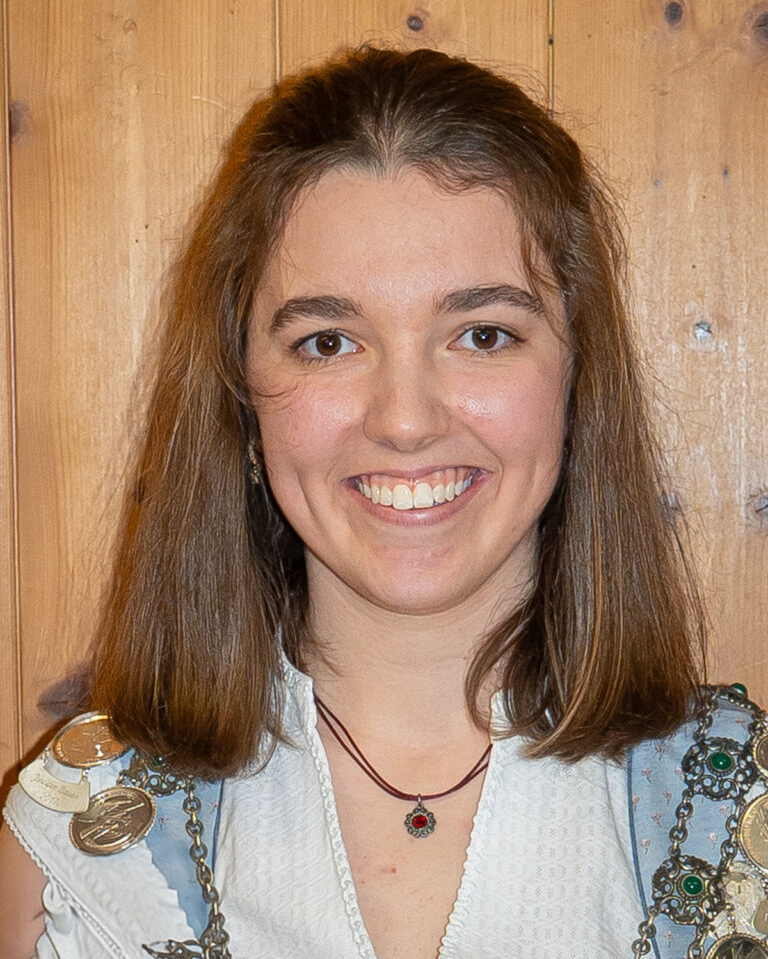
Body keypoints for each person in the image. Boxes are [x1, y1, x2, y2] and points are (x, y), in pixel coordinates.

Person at [1, 46, 767, 959]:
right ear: (242, 400)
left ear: (577, 382)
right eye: (328, 342)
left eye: (482, 335)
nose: (405, 420)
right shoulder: (74, 848)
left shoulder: (736, 818)